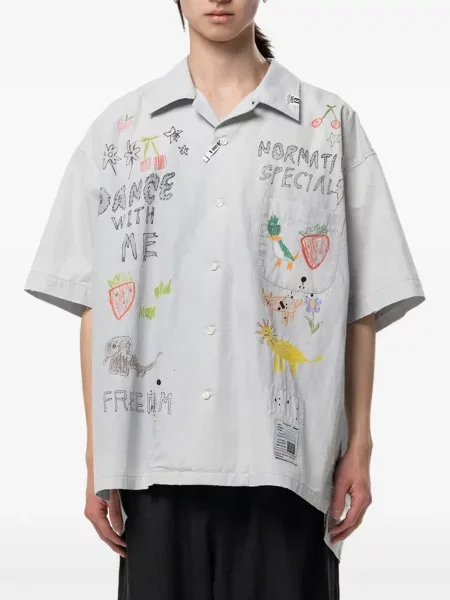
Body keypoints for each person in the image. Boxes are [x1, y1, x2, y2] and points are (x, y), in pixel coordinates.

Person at [23, 0, 426, 598]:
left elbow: (360, 302)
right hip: (155, 463)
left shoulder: (326, 124)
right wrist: (97, 458)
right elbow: (95, 305)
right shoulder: (121, 131)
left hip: (286, 462)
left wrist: (360, 445)